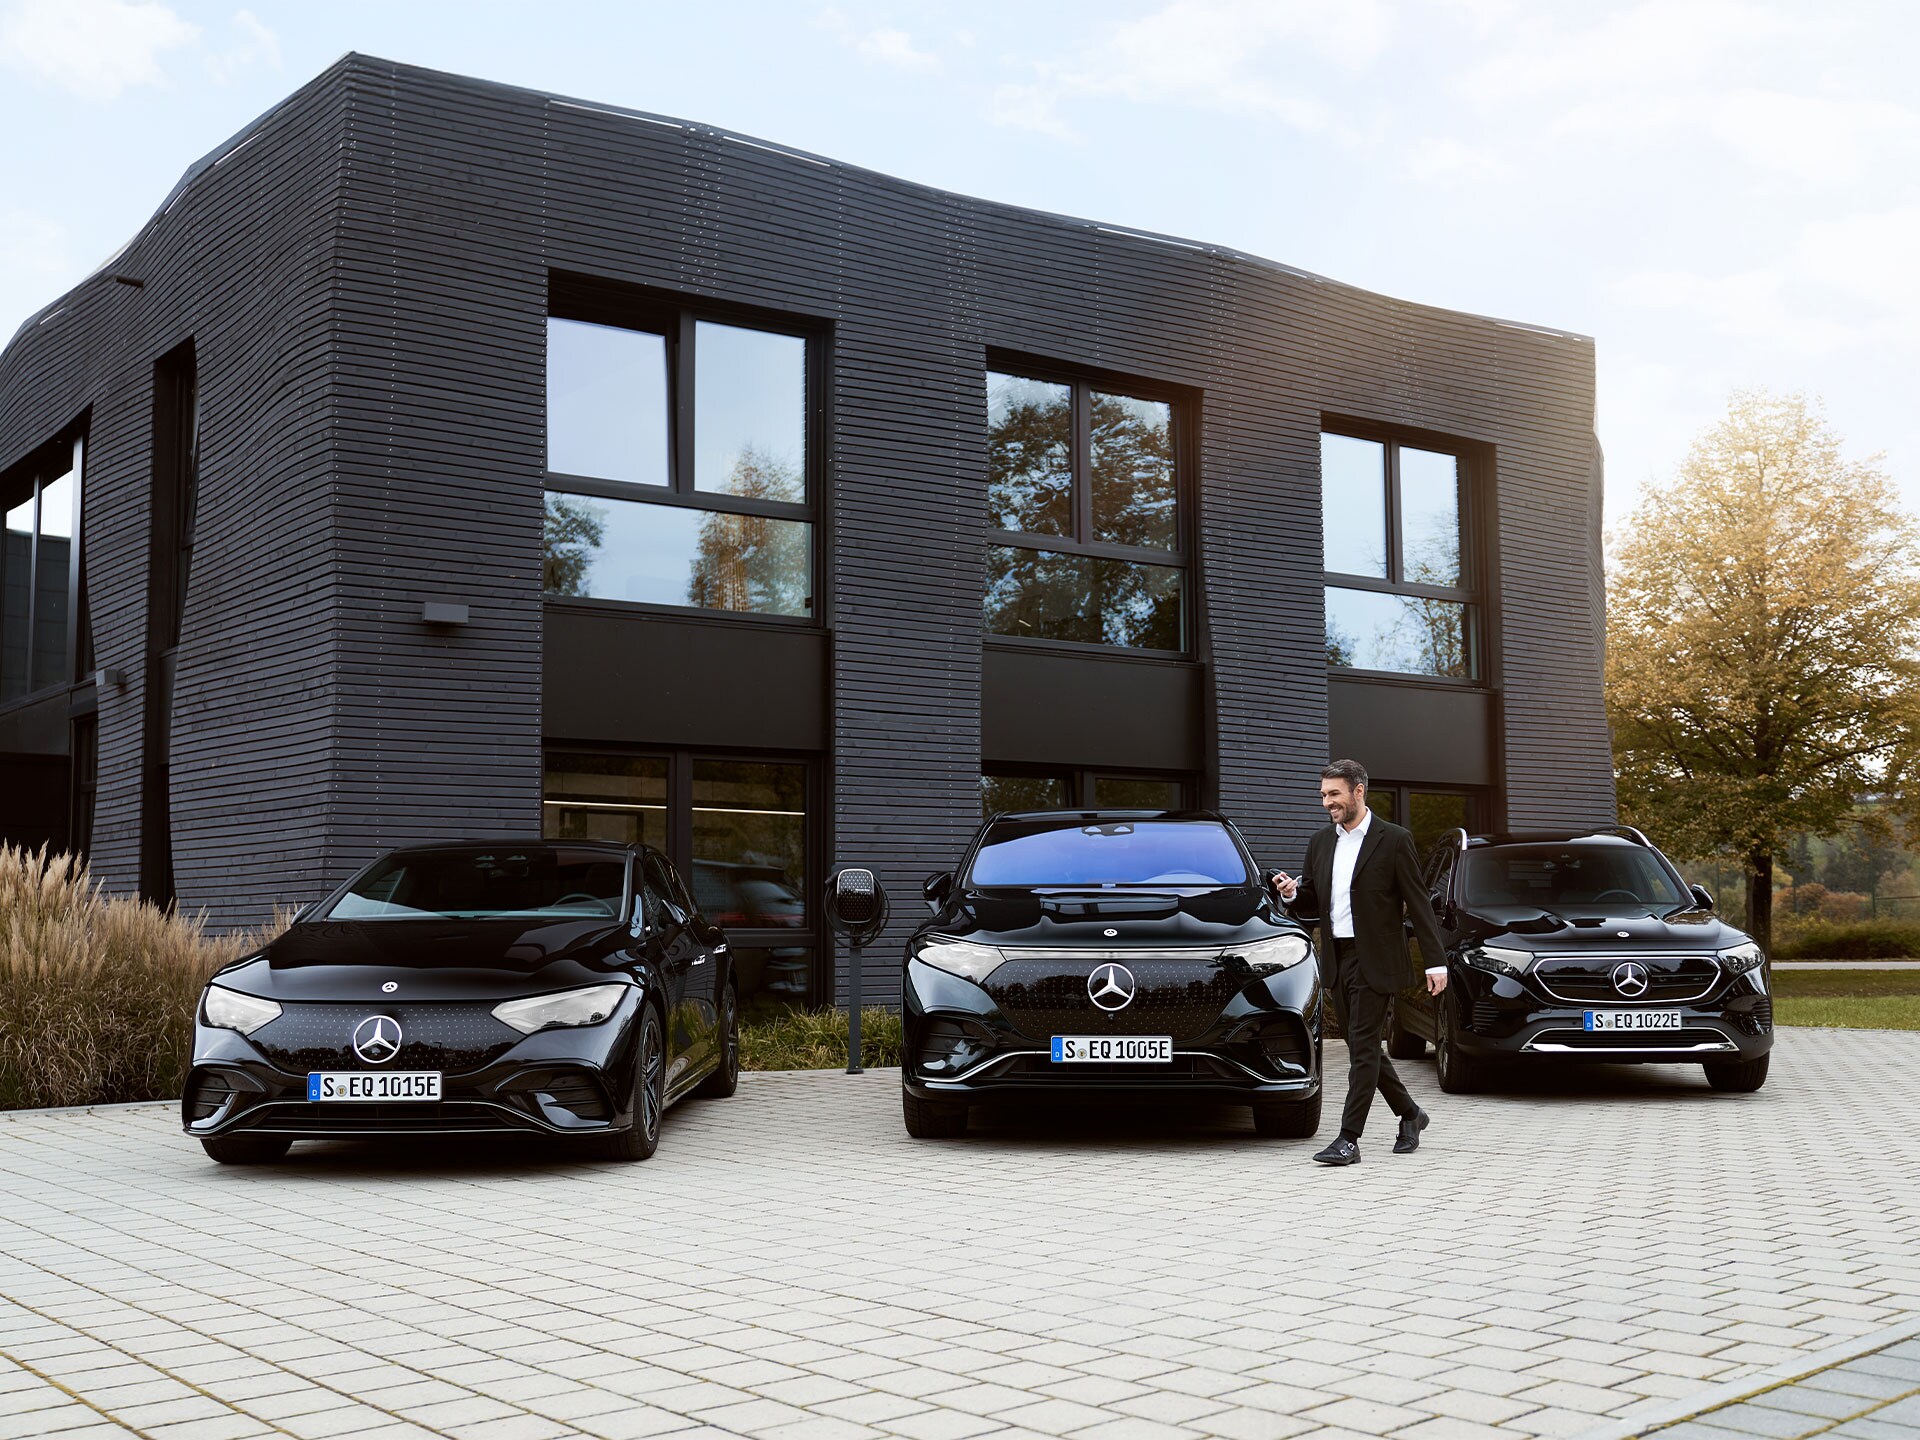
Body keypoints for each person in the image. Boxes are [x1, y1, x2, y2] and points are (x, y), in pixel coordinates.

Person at [1270, 759, 1448, 1165]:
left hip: (1378, 960)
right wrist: (1293, 893)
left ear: (1358, 791)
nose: (1326, 802)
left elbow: (1419, 904)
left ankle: (1349, 1139)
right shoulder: (1320, 842)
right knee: (1361, 1048)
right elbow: (1313, 902)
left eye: (1334, 794)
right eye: (1323, 795)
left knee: (1364, 1051)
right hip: (1337, 957)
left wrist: (1435, 962)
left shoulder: (1394, 840)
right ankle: (1411, 1114)